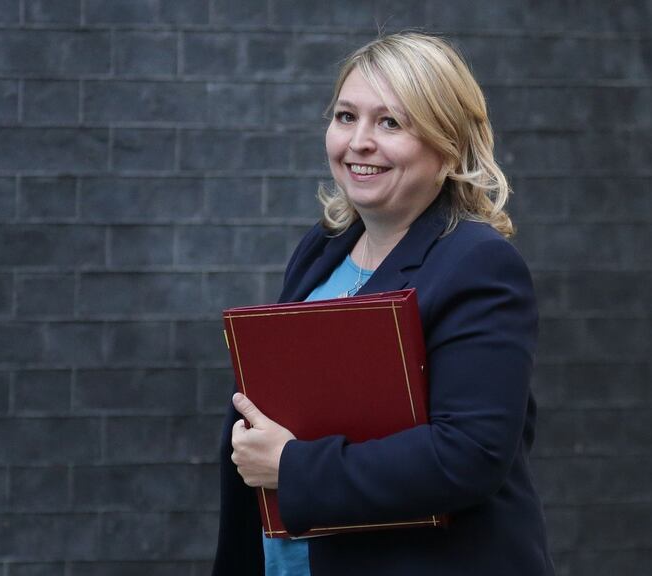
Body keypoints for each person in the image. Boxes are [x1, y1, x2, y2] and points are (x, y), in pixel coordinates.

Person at [213, 32, 555, 575]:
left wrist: (292, 467)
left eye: (390, 123)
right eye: (346, 116)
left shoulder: (478, 263)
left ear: (447, 145)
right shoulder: (324, 247)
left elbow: (469, 455)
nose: (359, 142)